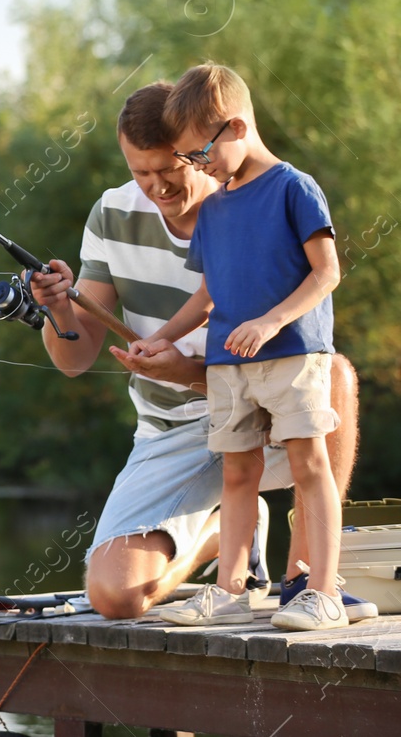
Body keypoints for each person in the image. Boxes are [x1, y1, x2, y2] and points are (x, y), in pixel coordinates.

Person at [28, 81, 364, 621]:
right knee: (114, 597)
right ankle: (218, 535)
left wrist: (189, 371)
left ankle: (306, 579)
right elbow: (74, 360)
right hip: (171, 432)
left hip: (266, 408)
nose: (156, 187)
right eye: (141, 173)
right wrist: (59, 309)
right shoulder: (113, 214)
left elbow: (311, 303)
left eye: (172, 169)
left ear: (198, 150)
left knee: (335, 379)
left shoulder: (248, 197)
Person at [127, 65, 349, 629]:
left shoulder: (293, 188)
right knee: (236, 474)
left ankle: (320, 591)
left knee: (308, 462)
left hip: (293, 352)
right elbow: (207, 294)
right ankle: (232, 590)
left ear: (235, 127)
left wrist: (272, 322)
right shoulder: (216, 208)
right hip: (230, 364)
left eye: (199, 156)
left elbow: (326, 274)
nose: (196, 169)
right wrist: (161, 339)